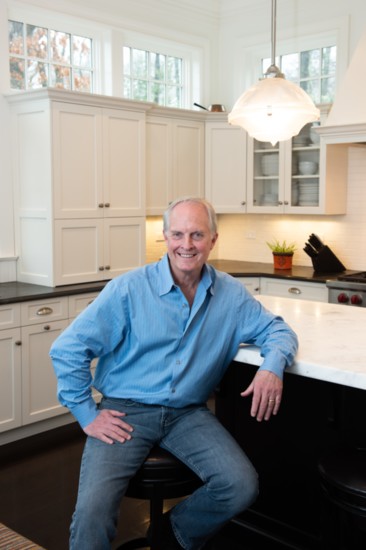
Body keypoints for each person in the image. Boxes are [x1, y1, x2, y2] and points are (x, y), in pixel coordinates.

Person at [50, 196, 298, 550]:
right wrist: (86, 413)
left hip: (188, 413)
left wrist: (273, 367)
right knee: (93, 510)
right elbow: (68, 349)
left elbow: (278, 331)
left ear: (213, 239)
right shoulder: (128, 289)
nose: (187, 244)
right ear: (165, 237)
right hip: (125, 411)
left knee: (241, 486)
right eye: (178, 234)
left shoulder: (230, 294)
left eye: (197, 234)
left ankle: (170, 536)